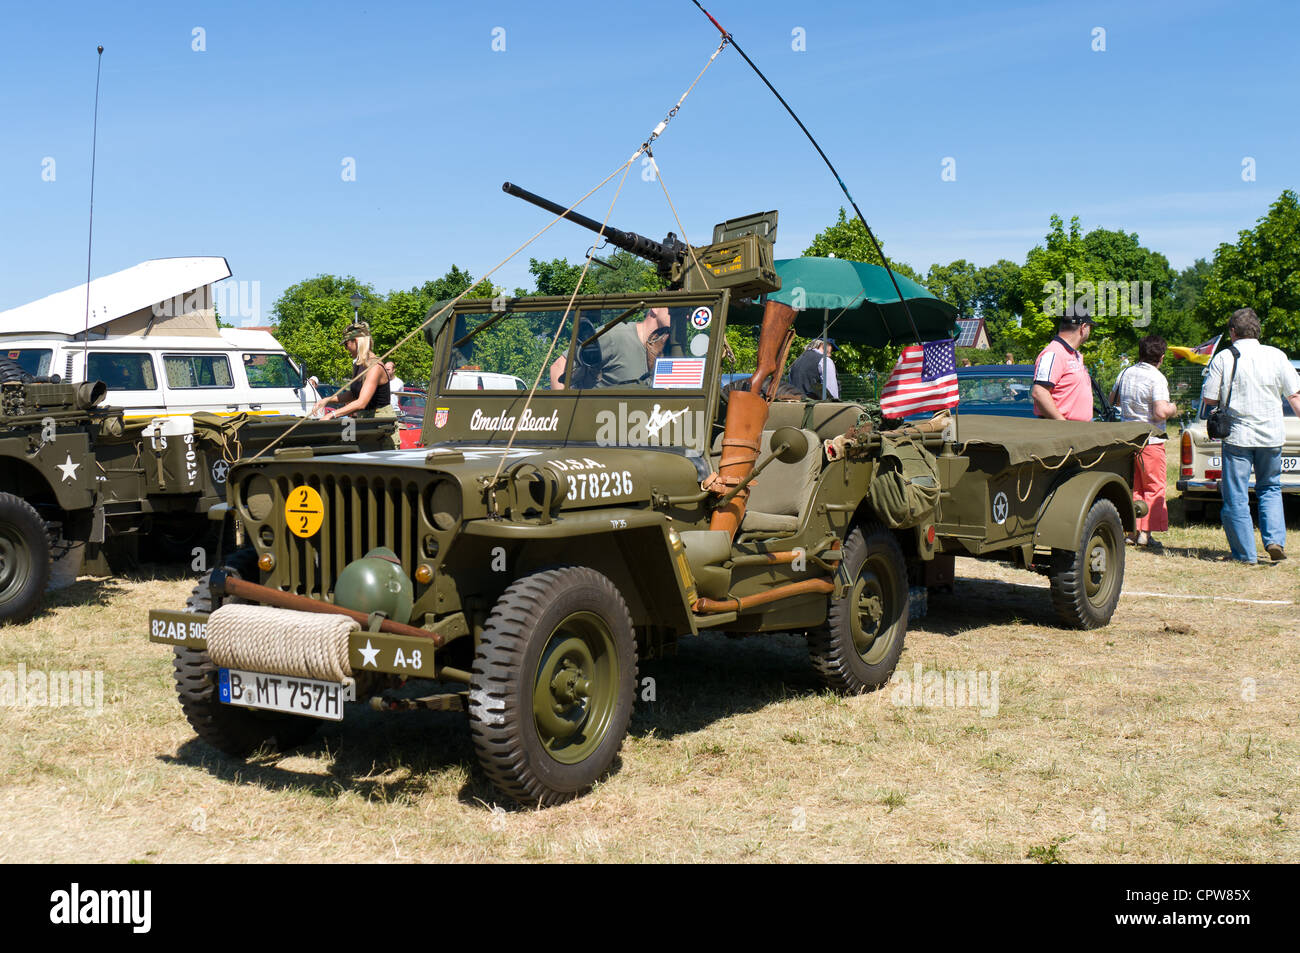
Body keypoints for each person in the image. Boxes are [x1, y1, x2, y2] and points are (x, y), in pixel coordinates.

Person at [1201, 308, 1300, 564]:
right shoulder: (1277, 356)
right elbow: (1295, 396)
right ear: (1257, 330)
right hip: (1272, 436)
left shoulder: (1224, 357)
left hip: (1238, 437)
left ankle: (1245, 555)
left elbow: (1209, 399)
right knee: (1270, 488)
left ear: (1233, 332)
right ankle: (1274, 540)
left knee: (1236, 495)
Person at [1111, 335, 1178, 549]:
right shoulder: (1157, 378)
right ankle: (1145, 534)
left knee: (1134, 487)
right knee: (1153, 487)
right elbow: (1160, 412)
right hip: (1151, 440)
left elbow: (1114, 400)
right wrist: (1173, 408)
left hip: (1127, 438)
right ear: (1162, 357)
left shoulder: (1125, 372)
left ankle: (1131, 532)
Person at [311, 322, 400, 449]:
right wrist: (327, 400)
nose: (346, 349)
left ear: (357, 341)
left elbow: (361, 402)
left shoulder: (375, 367)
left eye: (347, 344)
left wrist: (332, 414)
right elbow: (353, 394)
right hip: (366, 421)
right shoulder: (358, 365)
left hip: (382, 425)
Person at [549, 306, 671, 389]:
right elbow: (558, 368)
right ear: (655, 308)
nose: (685, 317)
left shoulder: (668, 348)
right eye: (674, 308)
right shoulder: (615, 335)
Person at [1031, 305, 1095, 421]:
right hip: (1062, 432)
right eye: (1090, 327)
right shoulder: (1053, 353)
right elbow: (1039, 392)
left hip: (1074, 431)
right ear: (1083, 327)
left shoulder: (1074, 354)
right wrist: (1063, 424)